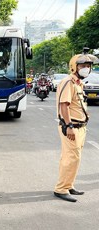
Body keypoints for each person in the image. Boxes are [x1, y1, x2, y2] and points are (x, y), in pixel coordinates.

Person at [54, 51, 97, 202]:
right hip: (71, 127)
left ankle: (68, 184)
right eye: (83, 65)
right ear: (74, 67)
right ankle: (61, 189)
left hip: (80, 127)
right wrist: (69, 126)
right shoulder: (68, 82)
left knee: (73, 158)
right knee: (71, 158)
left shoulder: (79, 83)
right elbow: (64, 106)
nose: (87, 68)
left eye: (89, 66)